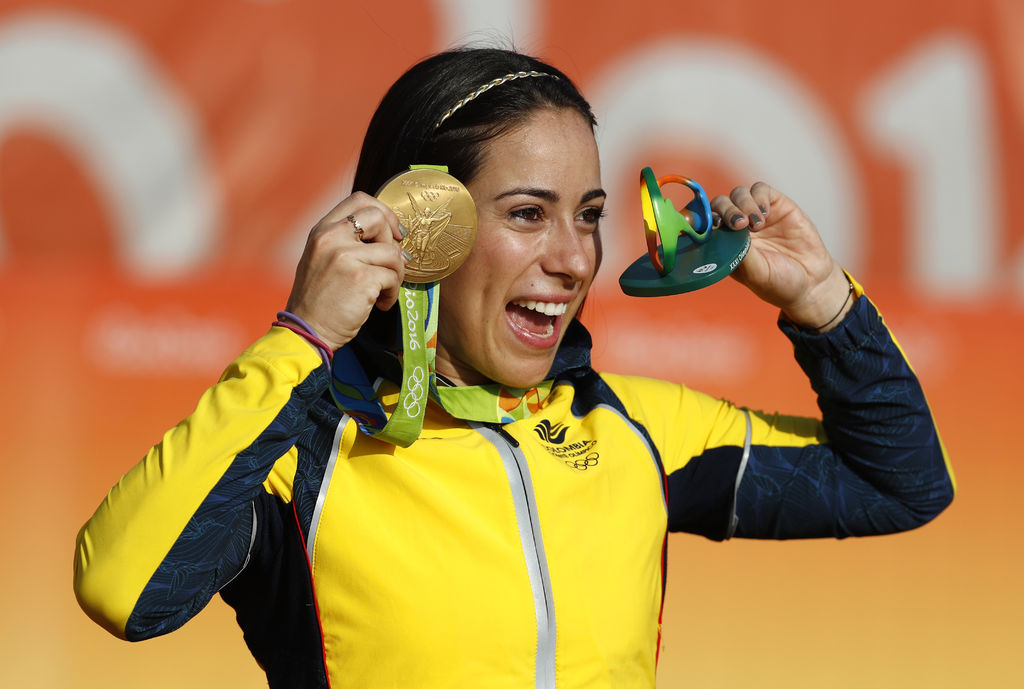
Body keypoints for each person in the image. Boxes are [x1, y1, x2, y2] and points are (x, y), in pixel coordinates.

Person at [73, 47, 955, 688]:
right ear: (421, 225)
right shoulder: (302, 452)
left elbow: (899, 484)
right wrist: (303, 339)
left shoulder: (638, 428)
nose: (574, 259)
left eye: (589, 214)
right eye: (529, 213)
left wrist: (825, 305)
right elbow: (124, 591)